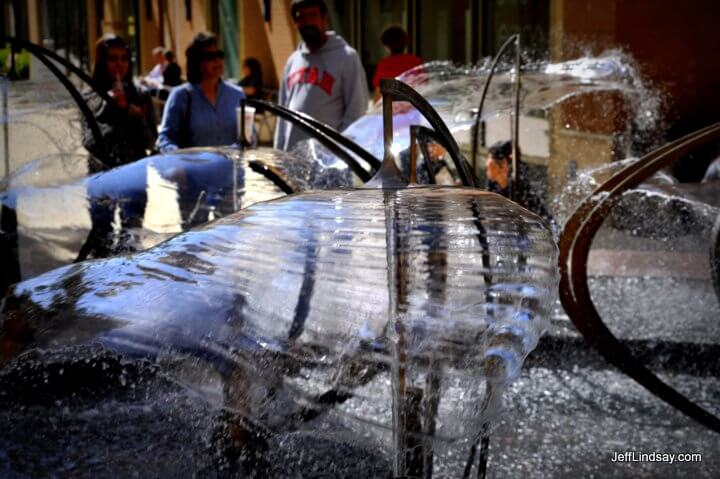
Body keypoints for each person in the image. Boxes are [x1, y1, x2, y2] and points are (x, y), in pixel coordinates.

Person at [274, 0, 368, 152]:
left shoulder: (346, 57)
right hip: (292, 161)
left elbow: (356, 113)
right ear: (295, 23)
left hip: (328, 163)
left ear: (325, 18)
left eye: (313, 15)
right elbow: (282, 116)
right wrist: (278, 155)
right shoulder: (292, 61)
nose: (308, 21)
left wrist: (338, 155)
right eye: (301, 17)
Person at [156, 32, 247, 152]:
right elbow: (165, 139)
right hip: (192, 169)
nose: (217, 61)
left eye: (219, 55)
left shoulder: (237, 95)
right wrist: (180, 156)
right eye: (210, 57)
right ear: (196, 62)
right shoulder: (181, 96)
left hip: (231, 169)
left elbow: (249, 137)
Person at [83, 35, 157, 172]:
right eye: (113, 59)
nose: (120, 64)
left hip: (134, 178)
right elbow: (90, 143)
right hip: (102, 179)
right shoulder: (90, 97)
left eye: (124, 58)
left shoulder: (141, 96)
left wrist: (136, 117)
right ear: (102, 62)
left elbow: (151, 143)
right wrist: (109, 107)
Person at [486, 140, 554, 223]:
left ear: (504, 164)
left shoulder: (520, 191)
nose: (487, 163)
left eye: (490, 158)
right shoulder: (492, 185)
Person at [372, 25, 422, 103]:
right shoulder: (416, 61)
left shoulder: (384, 64)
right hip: (413, 108)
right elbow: (423, 87)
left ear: (386, 46)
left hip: (391, 109)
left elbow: (378, 92)